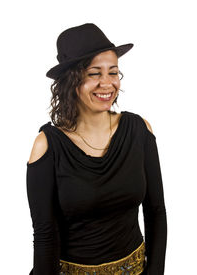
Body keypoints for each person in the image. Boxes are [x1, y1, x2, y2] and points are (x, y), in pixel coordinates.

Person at [26, 23, 167, 275]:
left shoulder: (139, 129)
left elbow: (156, 211)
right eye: (94, 73)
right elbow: (45, 235)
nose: (107, 83)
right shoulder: (47, 145)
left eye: (113, 72)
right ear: (72, 80)